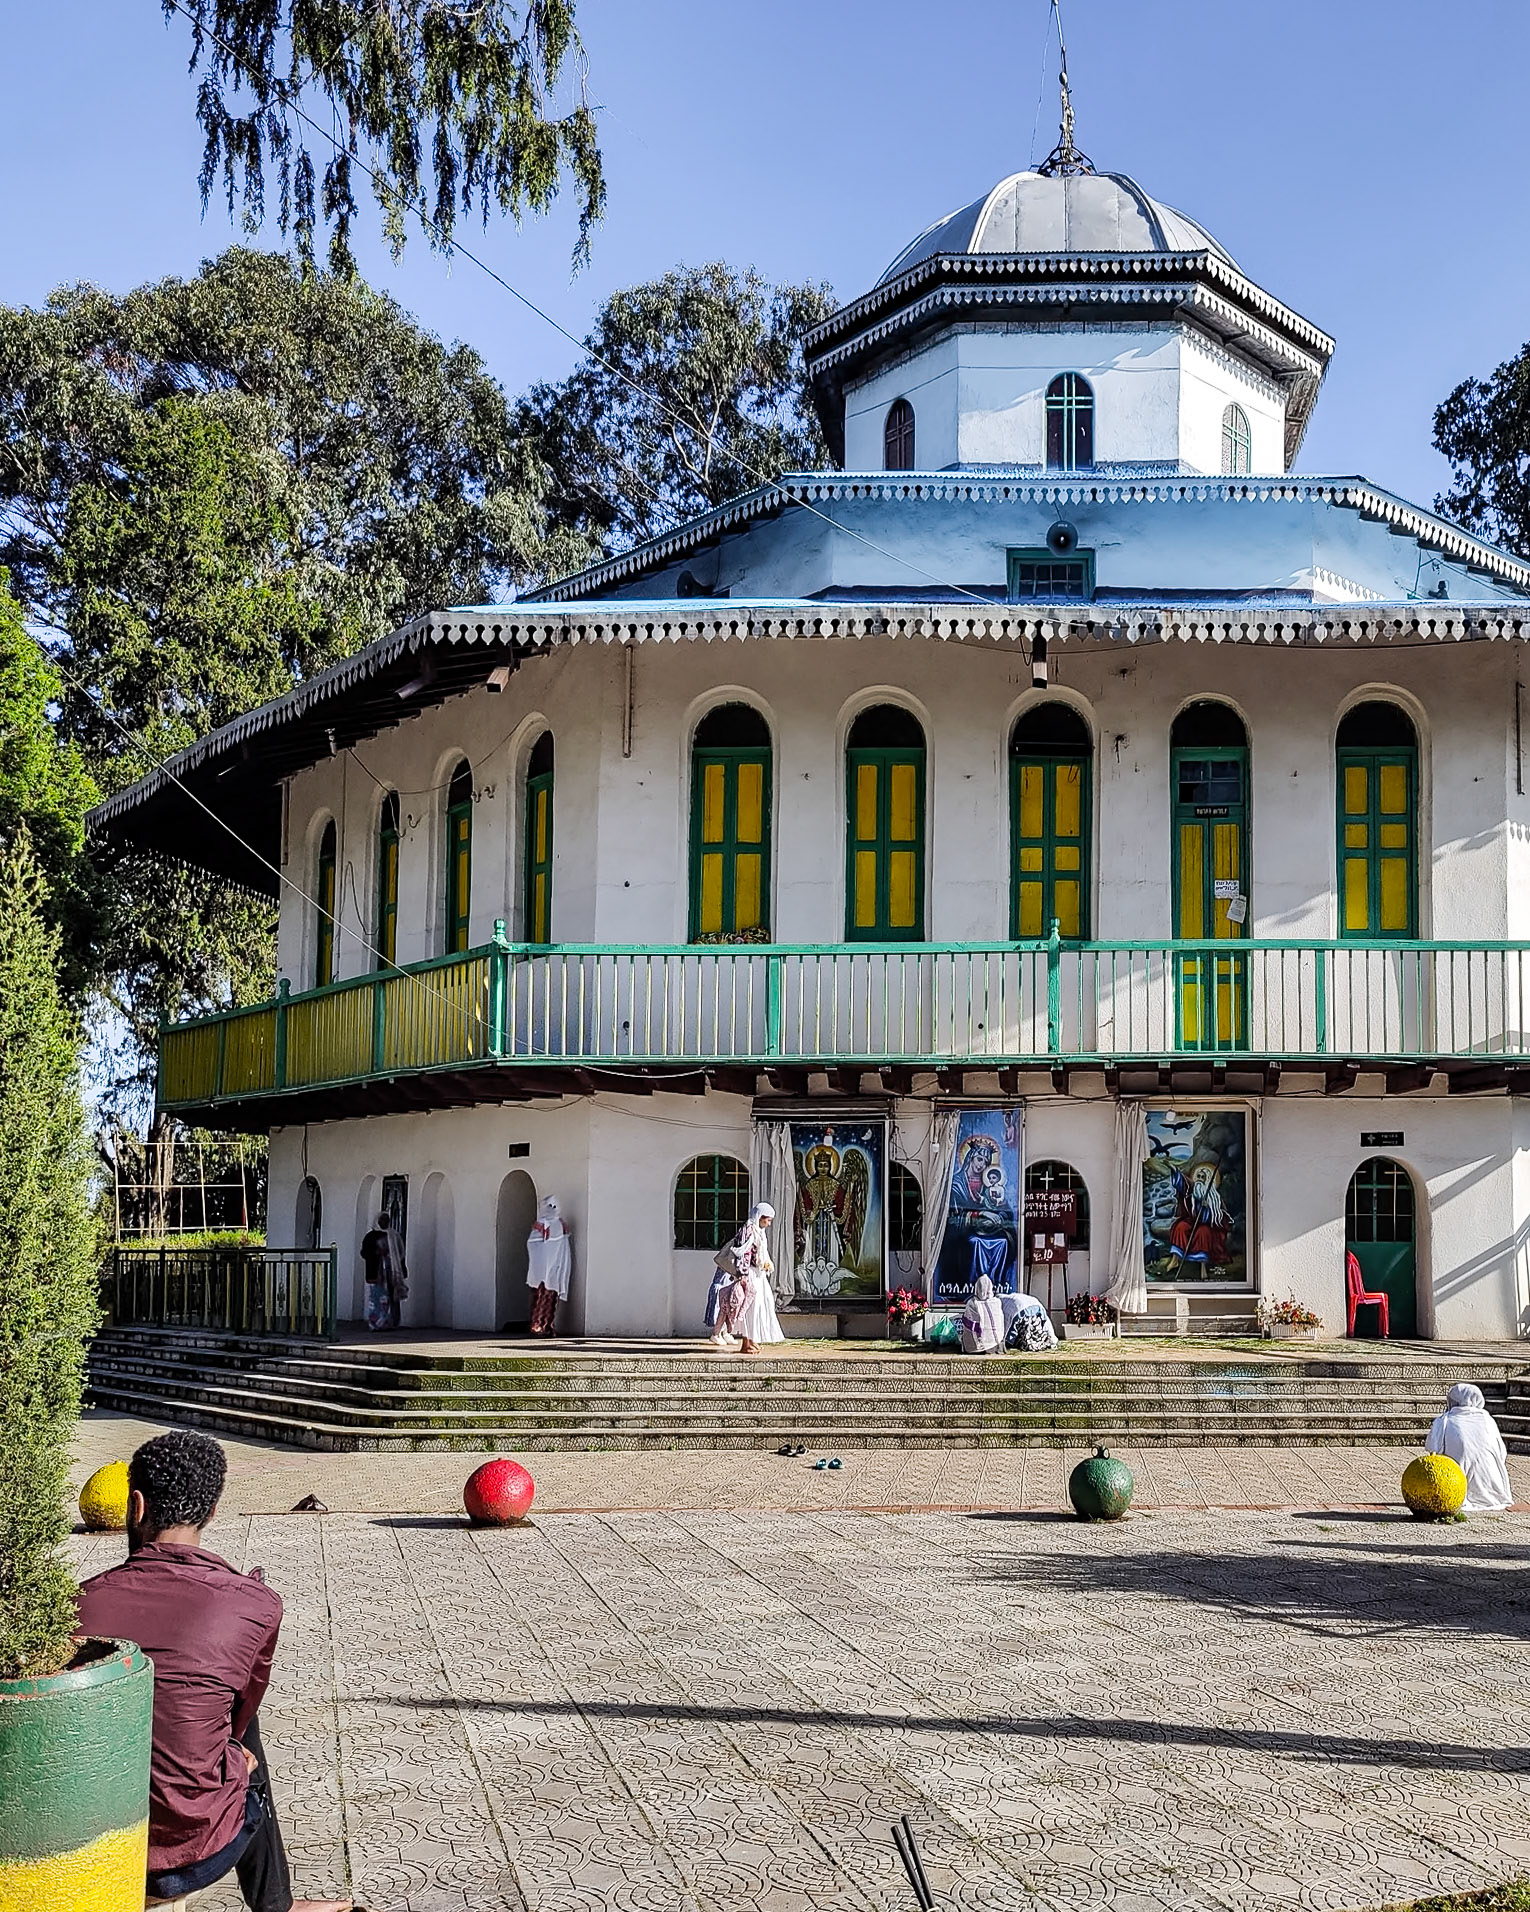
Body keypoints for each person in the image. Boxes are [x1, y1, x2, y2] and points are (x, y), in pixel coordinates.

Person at [75, 1431, 356, 1912]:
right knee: (241, 1733)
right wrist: (232, 1762)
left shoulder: (77, 1603)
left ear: (135, 1505)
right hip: (192, 1848)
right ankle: (275, 1905)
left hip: (80, 1844)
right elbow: (240, 1717)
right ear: (210, 1512)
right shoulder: (255, 1603)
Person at [1426, 1383, 1514, 1512]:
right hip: (1492, 1484)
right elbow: (1501, 1452)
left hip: (1456, 1479)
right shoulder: (1487, 1419)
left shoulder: (1444, 1420)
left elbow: (1431, 1447)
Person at [727, 1203, 785, 1354]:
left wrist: (766, 1264)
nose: (769, 1223)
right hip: (750, 1275)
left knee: (759, 1307)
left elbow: (761, 1253)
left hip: (759, 1274)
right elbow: (743, 1254)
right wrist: (743, 1275)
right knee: (750, 1309)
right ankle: (746, 1343)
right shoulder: (749, 1231)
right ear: (761, 1217)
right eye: (768, 1220)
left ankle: (753, 1340)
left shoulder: (759, 1232)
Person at [526, 1195, 573, 1335]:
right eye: (549, 1206)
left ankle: (548, 1326)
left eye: (555, 1206)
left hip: (555, 1268)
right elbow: (533, 1245)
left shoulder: (561, 1223)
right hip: (541, 1271)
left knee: (552, 1298)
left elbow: (563, 1244)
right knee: (540, 1297)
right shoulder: (541, 1224)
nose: (552, 1209)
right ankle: (537, 1326)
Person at [359, 1209, 408, 1330]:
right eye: (382, 1220)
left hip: (391, 1272)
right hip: (377, 1272)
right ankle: (376, 1324)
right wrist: (377, 1253)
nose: (384, 1222)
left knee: (392, 1297)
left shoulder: (393, 1235)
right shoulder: (371, 1237)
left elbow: (400, 1253)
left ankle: (391, 1323)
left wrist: (400, 1267)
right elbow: (364, 1252)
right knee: (377, 1298)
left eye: (387, 1220)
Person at [959, 1274, 1006, 1354]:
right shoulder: (996, 1302)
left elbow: (967, 1324)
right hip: (995, 1344)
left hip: (974, 1347)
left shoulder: (972, 1303)